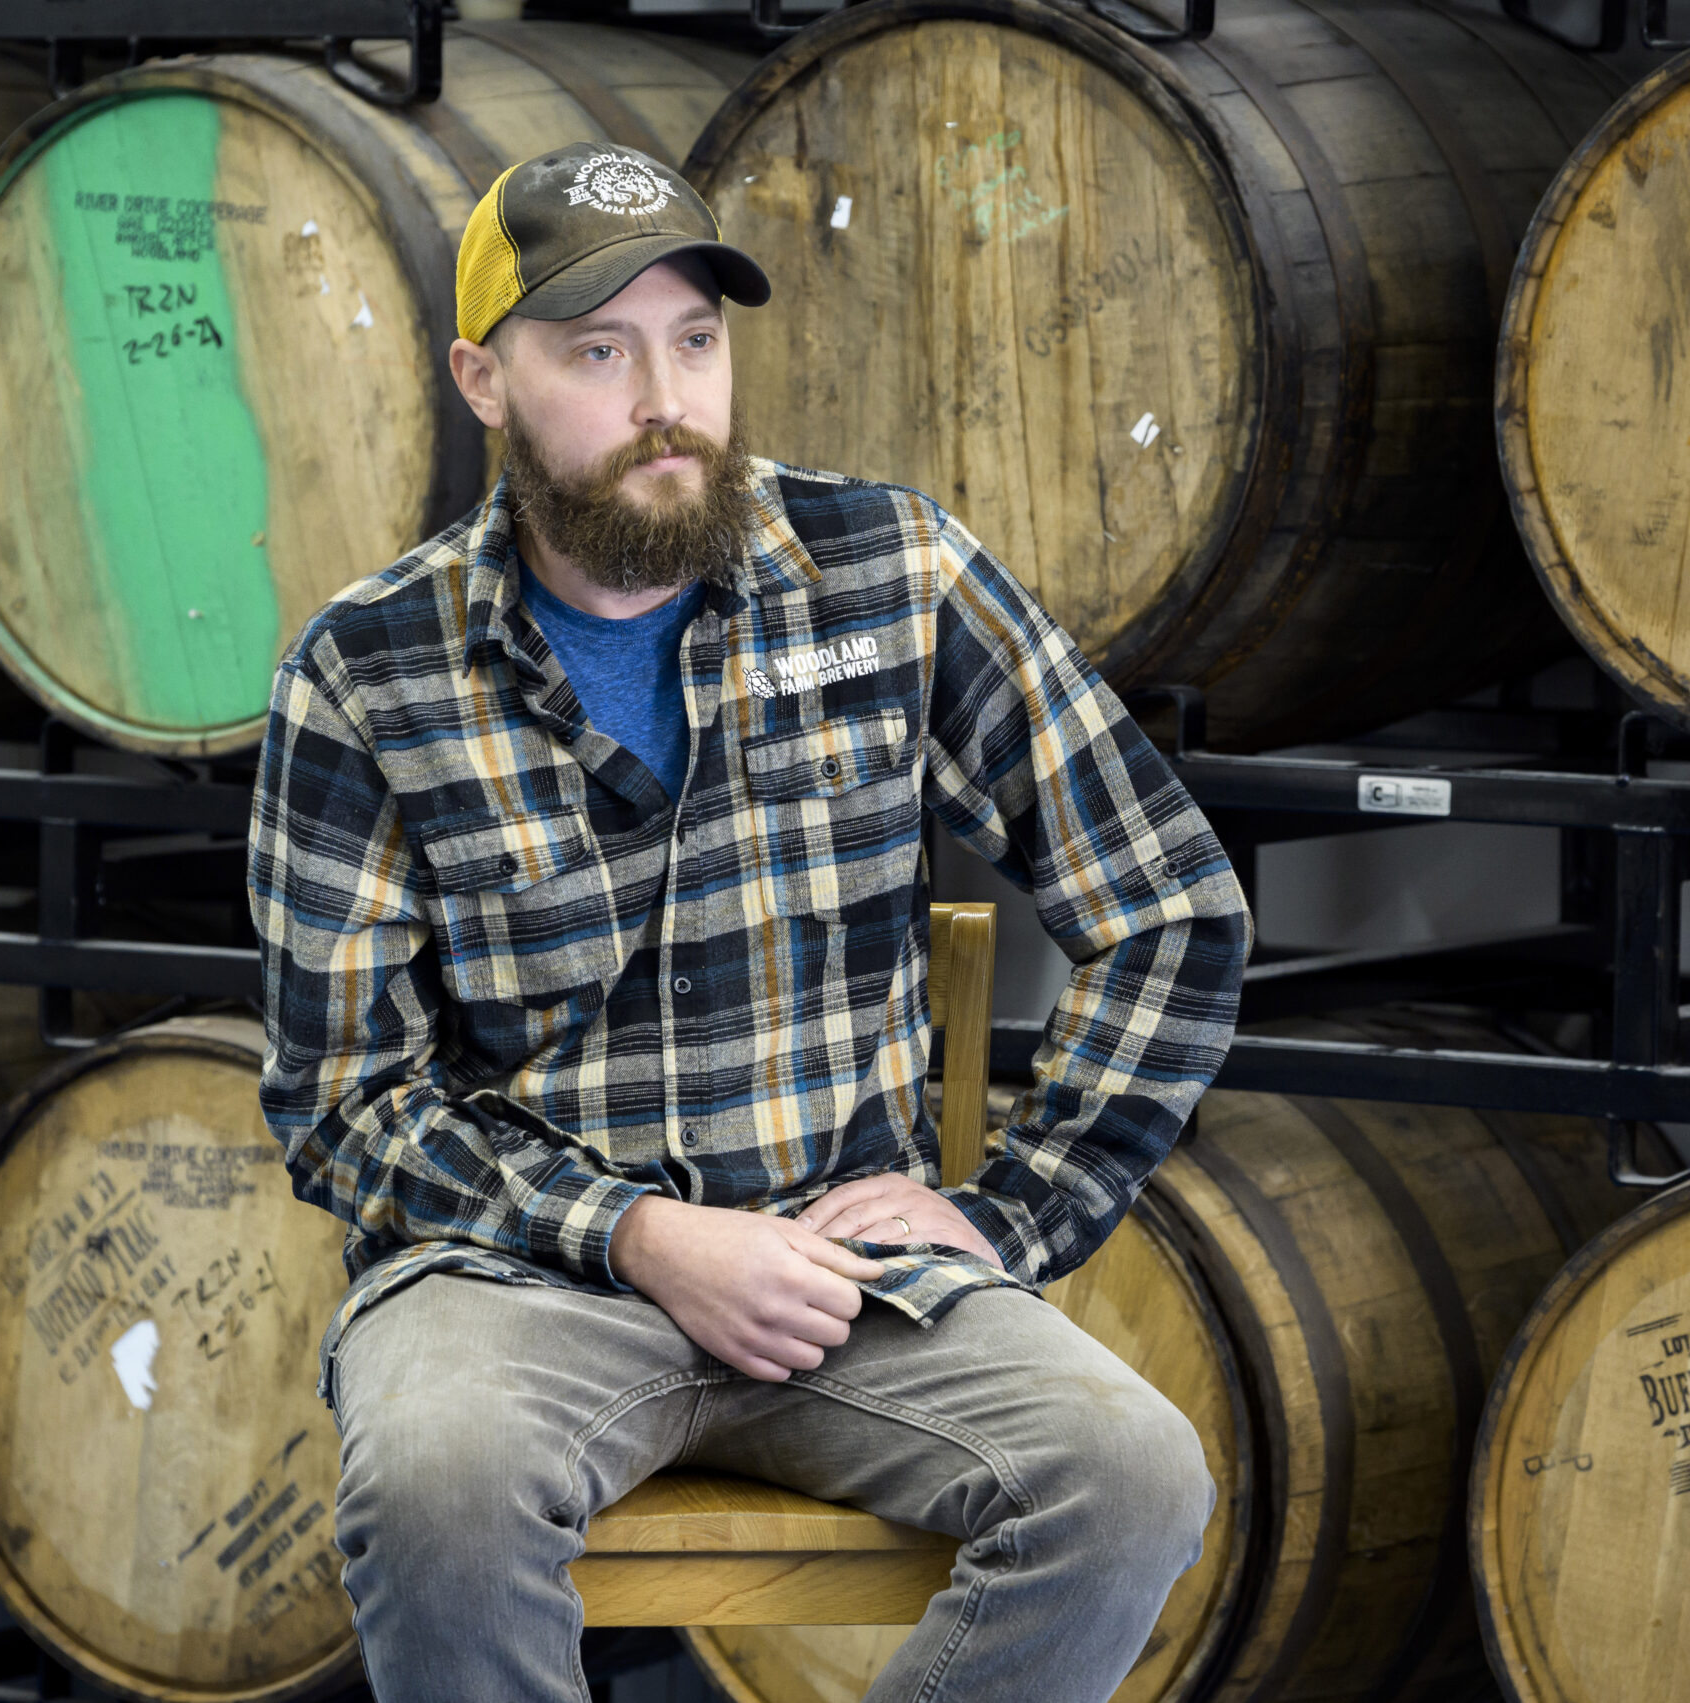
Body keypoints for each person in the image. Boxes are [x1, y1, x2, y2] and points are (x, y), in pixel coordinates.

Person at [247, 141, 1249, 1703]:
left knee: (1131, 1476)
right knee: (437, 1490)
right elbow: (342, 1104)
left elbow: (1170, 905)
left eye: (696, 341)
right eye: (599, 350)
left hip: (843, 1281)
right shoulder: (368, 673)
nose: (667, 397)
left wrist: (1007, 1215)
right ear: (483, 381)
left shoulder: (886, 571)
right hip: (519, 1287)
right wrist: (638, 1233)